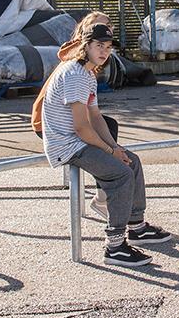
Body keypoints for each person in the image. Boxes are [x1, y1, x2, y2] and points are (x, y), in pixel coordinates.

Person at [42, 21, 171, 267]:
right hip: (66, 145)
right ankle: (115, 247)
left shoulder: (88, 73)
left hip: (77, 141)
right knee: (120, 175)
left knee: (131, 161)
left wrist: (116, 148)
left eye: (108, 47)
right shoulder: (75, 75)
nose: (104, 51)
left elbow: (96, 117)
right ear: (85, 46)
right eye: (99, 45)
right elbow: (81, 127)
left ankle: (137, 226)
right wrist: (110, 151)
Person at [31, 11, 119, 218]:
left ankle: (105, 193)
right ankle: (103, 197)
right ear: (85, 36)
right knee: (103, 133)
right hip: (48, 122)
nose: (105, 34)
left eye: (108, 31)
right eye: (98, 30)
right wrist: (109, 149)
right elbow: (82, 122)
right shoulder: (76, 61)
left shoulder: (89, 61)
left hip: (60, 116)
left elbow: (93, 113)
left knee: (107, 126)